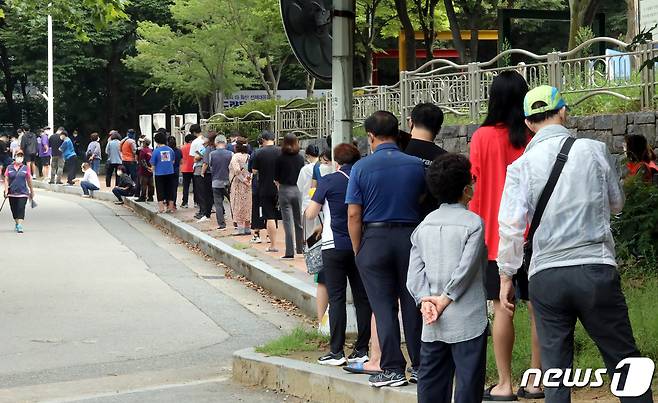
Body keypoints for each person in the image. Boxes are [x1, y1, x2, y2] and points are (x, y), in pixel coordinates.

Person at [497, 86, 652, 402]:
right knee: (625, 362)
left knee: (556, 373)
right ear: (563, 112)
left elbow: (510, 229)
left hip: (546, 277)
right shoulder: (593, 150)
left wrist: (506, 276)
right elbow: (617, 203)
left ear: (528, 124)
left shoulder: (519, 167)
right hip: (595, 269)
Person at [467, 71, 543, 401]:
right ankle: (537, 382)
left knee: (502, 307)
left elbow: (475, 185)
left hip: (496, 239)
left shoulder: (482, 136)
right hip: (536, 236)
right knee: (537, 308)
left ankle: (505, 384)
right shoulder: (532, 137)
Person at [346, 111, 425, 387]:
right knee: (412, 303)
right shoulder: (416, 165)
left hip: (375, 238)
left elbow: (354, 215)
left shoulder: (361, 168)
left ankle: (392, 367)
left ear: (370, 136)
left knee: (383, 306)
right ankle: (420, 366)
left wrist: (359, 249)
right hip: (411, 239)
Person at [406, 153, 488, 403]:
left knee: (431, 383)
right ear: (466, 190)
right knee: (468, 385)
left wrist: (425, 301)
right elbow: (466, 270)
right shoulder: (473, 223)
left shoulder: (424, 225)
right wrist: (445, 299)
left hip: (432, 321)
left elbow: (414, 274)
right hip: (467, 318)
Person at [305, 143, 372, 366]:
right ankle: (362, 349)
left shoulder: (329, 180)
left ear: (336, 162)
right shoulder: (364, 178)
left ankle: (337, 351)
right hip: (361, 245)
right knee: (363, 298)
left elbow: (310, 213)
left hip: (334, 246)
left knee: (337, 298)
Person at [404, 102, 447, 217]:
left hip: (402, 222)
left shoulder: (398, 150)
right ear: (438, 129)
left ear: (411, 123)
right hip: (433, 223)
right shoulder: (445, 159)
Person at [274, 133, 305, 259]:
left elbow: (276, 177)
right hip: (297, 189)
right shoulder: (300, 157)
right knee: (299, 221)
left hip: (284, 189)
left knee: (287, 222)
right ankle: (301, 248)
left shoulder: (280, 157)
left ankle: (289, 251)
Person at [251, 130, 282, 253]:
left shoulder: (259, 152)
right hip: (280, 188)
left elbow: (253, 170)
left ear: (263, 140)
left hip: (264, 187)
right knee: (285, 217)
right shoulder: (281, 152)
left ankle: (273, 245)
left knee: (269, 216)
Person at [3, 150, 34, 233]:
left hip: (23, 192)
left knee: (21, 208)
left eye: (21, 156)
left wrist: (31, 190)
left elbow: (29, 179)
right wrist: (6, 190)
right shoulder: (9, 168)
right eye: (18, 155)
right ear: (15, 156)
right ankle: (17, 223)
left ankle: (20, 225)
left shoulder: (25, 168)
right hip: (12, 193)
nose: (19, 157)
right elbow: (6, 179)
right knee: (14, 209)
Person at [207, 135, 233, 230]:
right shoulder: (230, 154)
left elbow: (211, 167)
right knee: (233, 202)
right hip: (228, 181)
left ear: (216, 143)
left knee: (218, 203)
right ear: (225, 142)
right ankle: (236, 222)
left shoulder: (212, 154)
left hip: (216, 181)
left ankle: (221, 224)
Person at [229, 138, 252, 235]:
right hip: (248, 183)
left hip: (238, 184)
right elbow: (252, 170)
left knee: (237, 204)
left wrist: (243, 180)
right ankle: (247, 227)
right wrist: (248, 180)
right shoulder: (249, 156)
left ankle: (240, 228)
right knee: (247, 205)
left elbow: (236, 171)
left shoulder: (235, 157)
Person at [151, 131, 177, 213]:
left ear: (156, 141)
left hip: (159, 173)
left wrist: (152, 169)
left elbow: (153, 164)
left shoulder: (156, 151)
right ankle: (170, 207)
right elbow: (173, 161)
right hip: (170, 172)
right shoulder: (171, 150)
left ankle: (161, 208)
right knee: (170, 189)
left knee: (160, 190)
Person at [190, 125, 211, 222]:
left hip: (199, 168)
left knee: (200, 191)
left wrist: (199, 156)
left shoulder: (195, 142)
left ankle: (203, 211)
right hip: (209, 168)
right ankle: (206, 210)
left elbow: (194, 158)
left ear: (194, 132)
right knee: (206, 191)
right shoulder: (208, 143)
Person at [249, 135, 266, 244]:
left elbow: (251, 169)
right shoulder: (276, 152)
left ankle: (256, 234)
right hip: (270, 184)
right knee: (270, 210)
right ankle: (270, 235)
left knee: (256, 208)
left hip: (257, 184)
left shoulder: (255, 153)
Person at [136, 137, 154, 202]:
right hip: (150, 170)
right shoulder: (150, 150)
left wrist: (147, 168)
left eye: (143, 142)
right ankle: (151, 197)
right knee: (150, 184)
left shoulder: (143, 151)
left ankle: (143, 197)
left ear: (144, 143)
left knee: (143, 184)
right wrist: (151, 168)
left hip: (144, 171)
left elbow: (142, 161)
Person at [180, 134, 196, 208]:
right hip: (194, 168)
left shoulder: (182, 148)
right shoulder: (195, 146)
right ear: (191, 140)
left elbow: (181, 158)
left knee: (185, 186)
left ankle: (185, 202)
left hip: (185, 168)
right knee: (196, 186)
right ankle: (196, 202)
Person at [168, 135, 183, 209]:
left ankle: (168, 203)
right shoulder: (179, 151)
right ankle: (174, 203)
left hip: (167, 171)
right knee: (174, 188)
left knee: (167, 187)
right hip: (176, 171)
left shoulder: (167, 151)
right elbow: (181, 161)